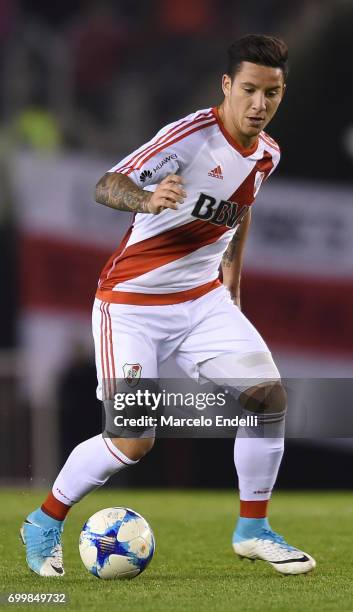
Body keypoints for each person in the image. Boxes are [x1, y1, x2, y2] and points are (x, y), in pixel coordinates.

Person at [21, 34, 315, 577]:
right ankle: (44, 521)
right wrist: (146, 198)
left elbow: (239, 206)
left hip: (202, 301)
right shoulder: (189, 138)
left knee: (268, 396)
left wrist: (233, 274)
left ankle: (253, 529)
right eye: (249, 90)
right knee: (133, 440)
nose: (259, 104)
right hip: (131, 304)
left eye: (271, 93)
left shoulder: (267, 153)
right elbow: (107, 185)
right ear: (227, 85)